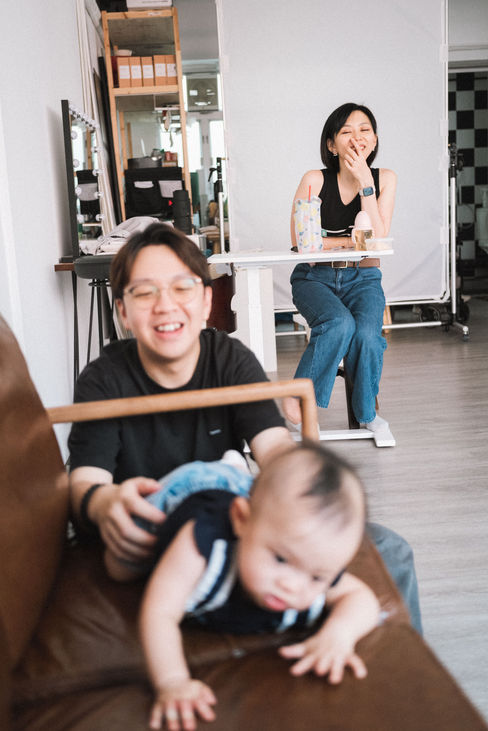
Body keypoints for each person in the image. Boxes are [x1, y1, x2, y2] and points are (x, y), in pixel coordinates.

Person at [67, 222, 421, 634]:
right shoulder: (102, 379)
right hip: (154, 540)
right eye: (145, 292)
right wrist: (106, 504)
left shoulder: (229, 359)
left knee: (391, 551)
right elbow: (85, 482)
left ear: (206, 300)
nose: (165, 305)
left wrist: (309, 502)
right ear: (123, 311)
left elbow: (275, 451)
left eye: (182, 288)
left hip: (233, 533)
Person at [105, 444, 380, 731]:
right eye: (280, 559)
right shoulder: (202, 547)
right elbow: (159, 613)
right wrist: (173, 681)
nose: (292, 586)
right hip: (192, 489)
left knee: (268, 506)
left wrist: (339, 635)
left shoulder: (310, 560)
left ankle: (237, 470)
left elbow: (360, 597)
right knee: (121, 569)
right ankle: (229, 470)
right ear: (240, 520)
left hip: (257, 505)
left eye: (317, 578)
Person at [283, 103, 397, 439]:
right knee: (338, 323)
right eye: (346, 131)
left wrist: (365, 183)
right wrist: (351, 241)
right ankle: (298, 399)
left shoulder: (385, 179)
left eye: (364, 130)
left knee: (367, 336)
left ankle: (366, 414)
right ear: (332, 145)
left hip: (363, 278)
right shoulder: (314, 179)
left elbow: (376, 241)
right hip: (314, 277)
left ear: (374, 140)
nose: (356, 137)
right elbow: (301, 242)